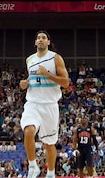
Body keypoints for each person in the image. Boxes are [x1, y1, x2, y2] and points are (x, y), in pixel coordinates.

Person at [20, 30, 70, 178]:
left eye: (43, 38)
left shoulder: (56, 58)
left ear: (48, 42)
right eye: (38, 38)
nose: (40, 40)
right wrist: (25, 84)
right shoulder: (29, 60)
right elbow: (32, 79)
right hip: (33, 103)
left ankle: (51, 173)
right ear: (35, 42)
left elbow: (66, 83)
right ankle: (33, 165)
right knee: (28, 131)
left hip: (50, 105)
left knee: (49, 144)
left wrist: (47, 74)